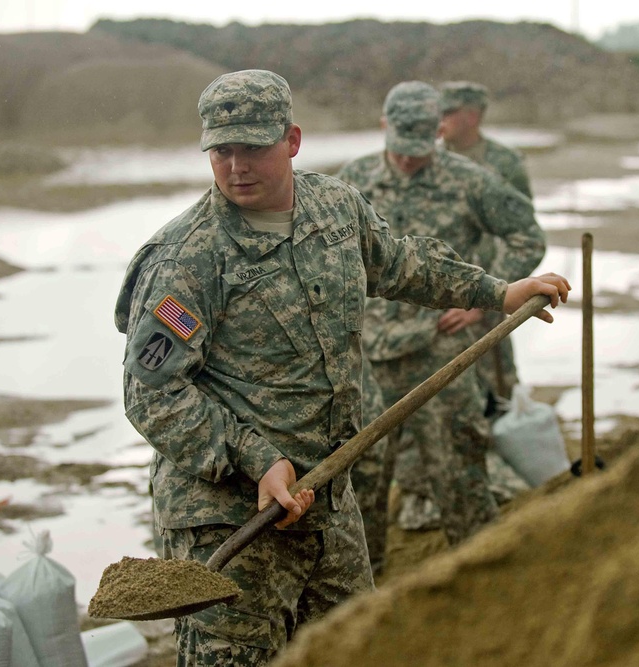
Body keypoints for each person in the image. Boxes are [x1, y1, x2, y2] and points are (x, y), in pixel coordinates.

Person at [113, 69, 570, 664]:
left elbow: (402, 265)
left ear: (292, 140)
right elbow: (152, 394)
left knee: (353, 649)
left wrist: (496, 291)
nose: (236, 166)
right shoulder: (185, 261)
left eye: (252, 147)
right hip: (228, 520)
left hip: (326, 493)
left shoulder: (336, 209)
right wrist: (258, 461)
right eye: (221, 150)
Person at [336, 81, 546, 573]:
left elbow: (527, 234)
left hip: (443, 351)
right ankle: (365, 593)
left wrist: (482, 301)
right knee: (362, 478)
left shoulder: (470, 180)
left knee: (459, 469)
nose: (409, 162)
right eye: (401, 149)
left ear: (439, 131)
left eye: (421, 149)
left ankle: (483, 581)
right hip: (368, 356)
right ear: (384, 127)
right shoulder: (353, 180)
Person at [437, 80, 534, 408]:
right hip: (440, 291)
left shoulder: (505, 163)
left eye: (450, 113)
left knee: (499, 385)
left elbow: (524, 232)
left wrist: (494, 293)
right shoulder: (429, 162)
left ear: (473, 117)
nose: (441, 120)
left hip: (490, 288)